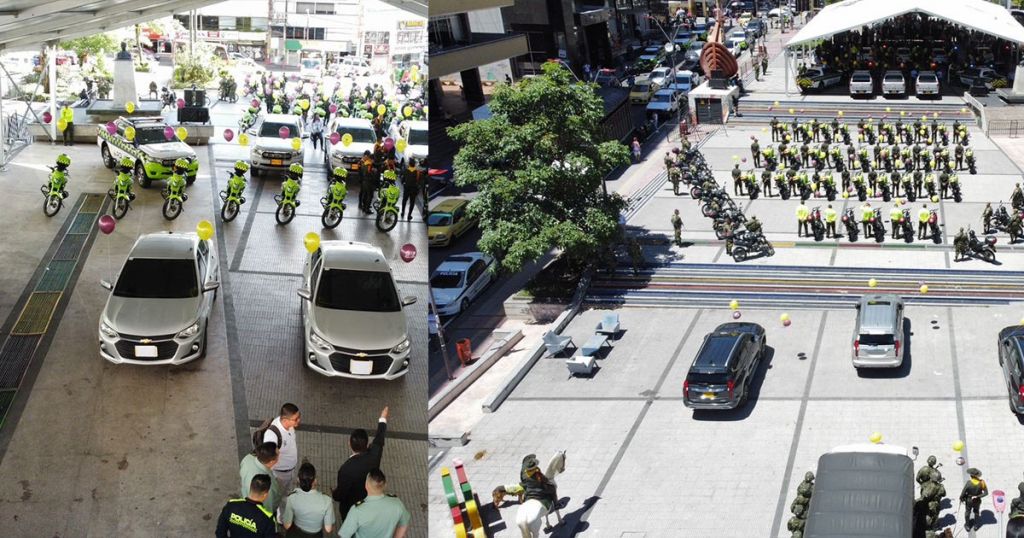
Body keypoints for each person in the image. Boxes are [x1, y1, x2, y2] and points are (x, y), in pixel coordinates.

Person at [333, 406, 389, 521]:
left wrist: (334, 494)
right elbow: (379, 438)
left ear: (349, 444)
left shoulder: (346, 469)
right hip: (368, 503)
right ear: (367, 443)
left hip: (350, 508)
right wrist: (382, 418)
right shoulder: (374, 455)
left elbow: (341, 493)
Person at [337, 469, 410, 538]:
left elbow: (345, 535)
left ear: (366, 485)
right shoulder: (397, 503)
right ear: (385, 485)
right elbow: (403, 524)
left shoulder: (357, 510)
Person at [282, 463, 335, 537]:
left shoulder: (292, 497)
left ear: (298, 480)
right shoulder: (327, 500)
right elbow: (328, 529)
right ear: (315, 480)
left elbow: (287, 525)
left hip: (296, 534)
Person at [262, 403, 301, 494]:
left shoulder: (289, 425)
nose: (299, 420)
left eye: (299, 416)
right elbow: (268, 459)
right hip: (281, 474)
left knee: (285, 489)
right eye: (295, 419)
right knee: (280, 493)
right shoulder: (272, 436)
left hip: (290, 469)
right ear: (284, 419)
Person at [241, 442, 283, 518]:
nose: (280, 454)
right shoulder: (266, 484)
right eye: (278, 454)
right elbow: (267, 508)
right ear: (272, 462)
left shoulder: (247, 459)